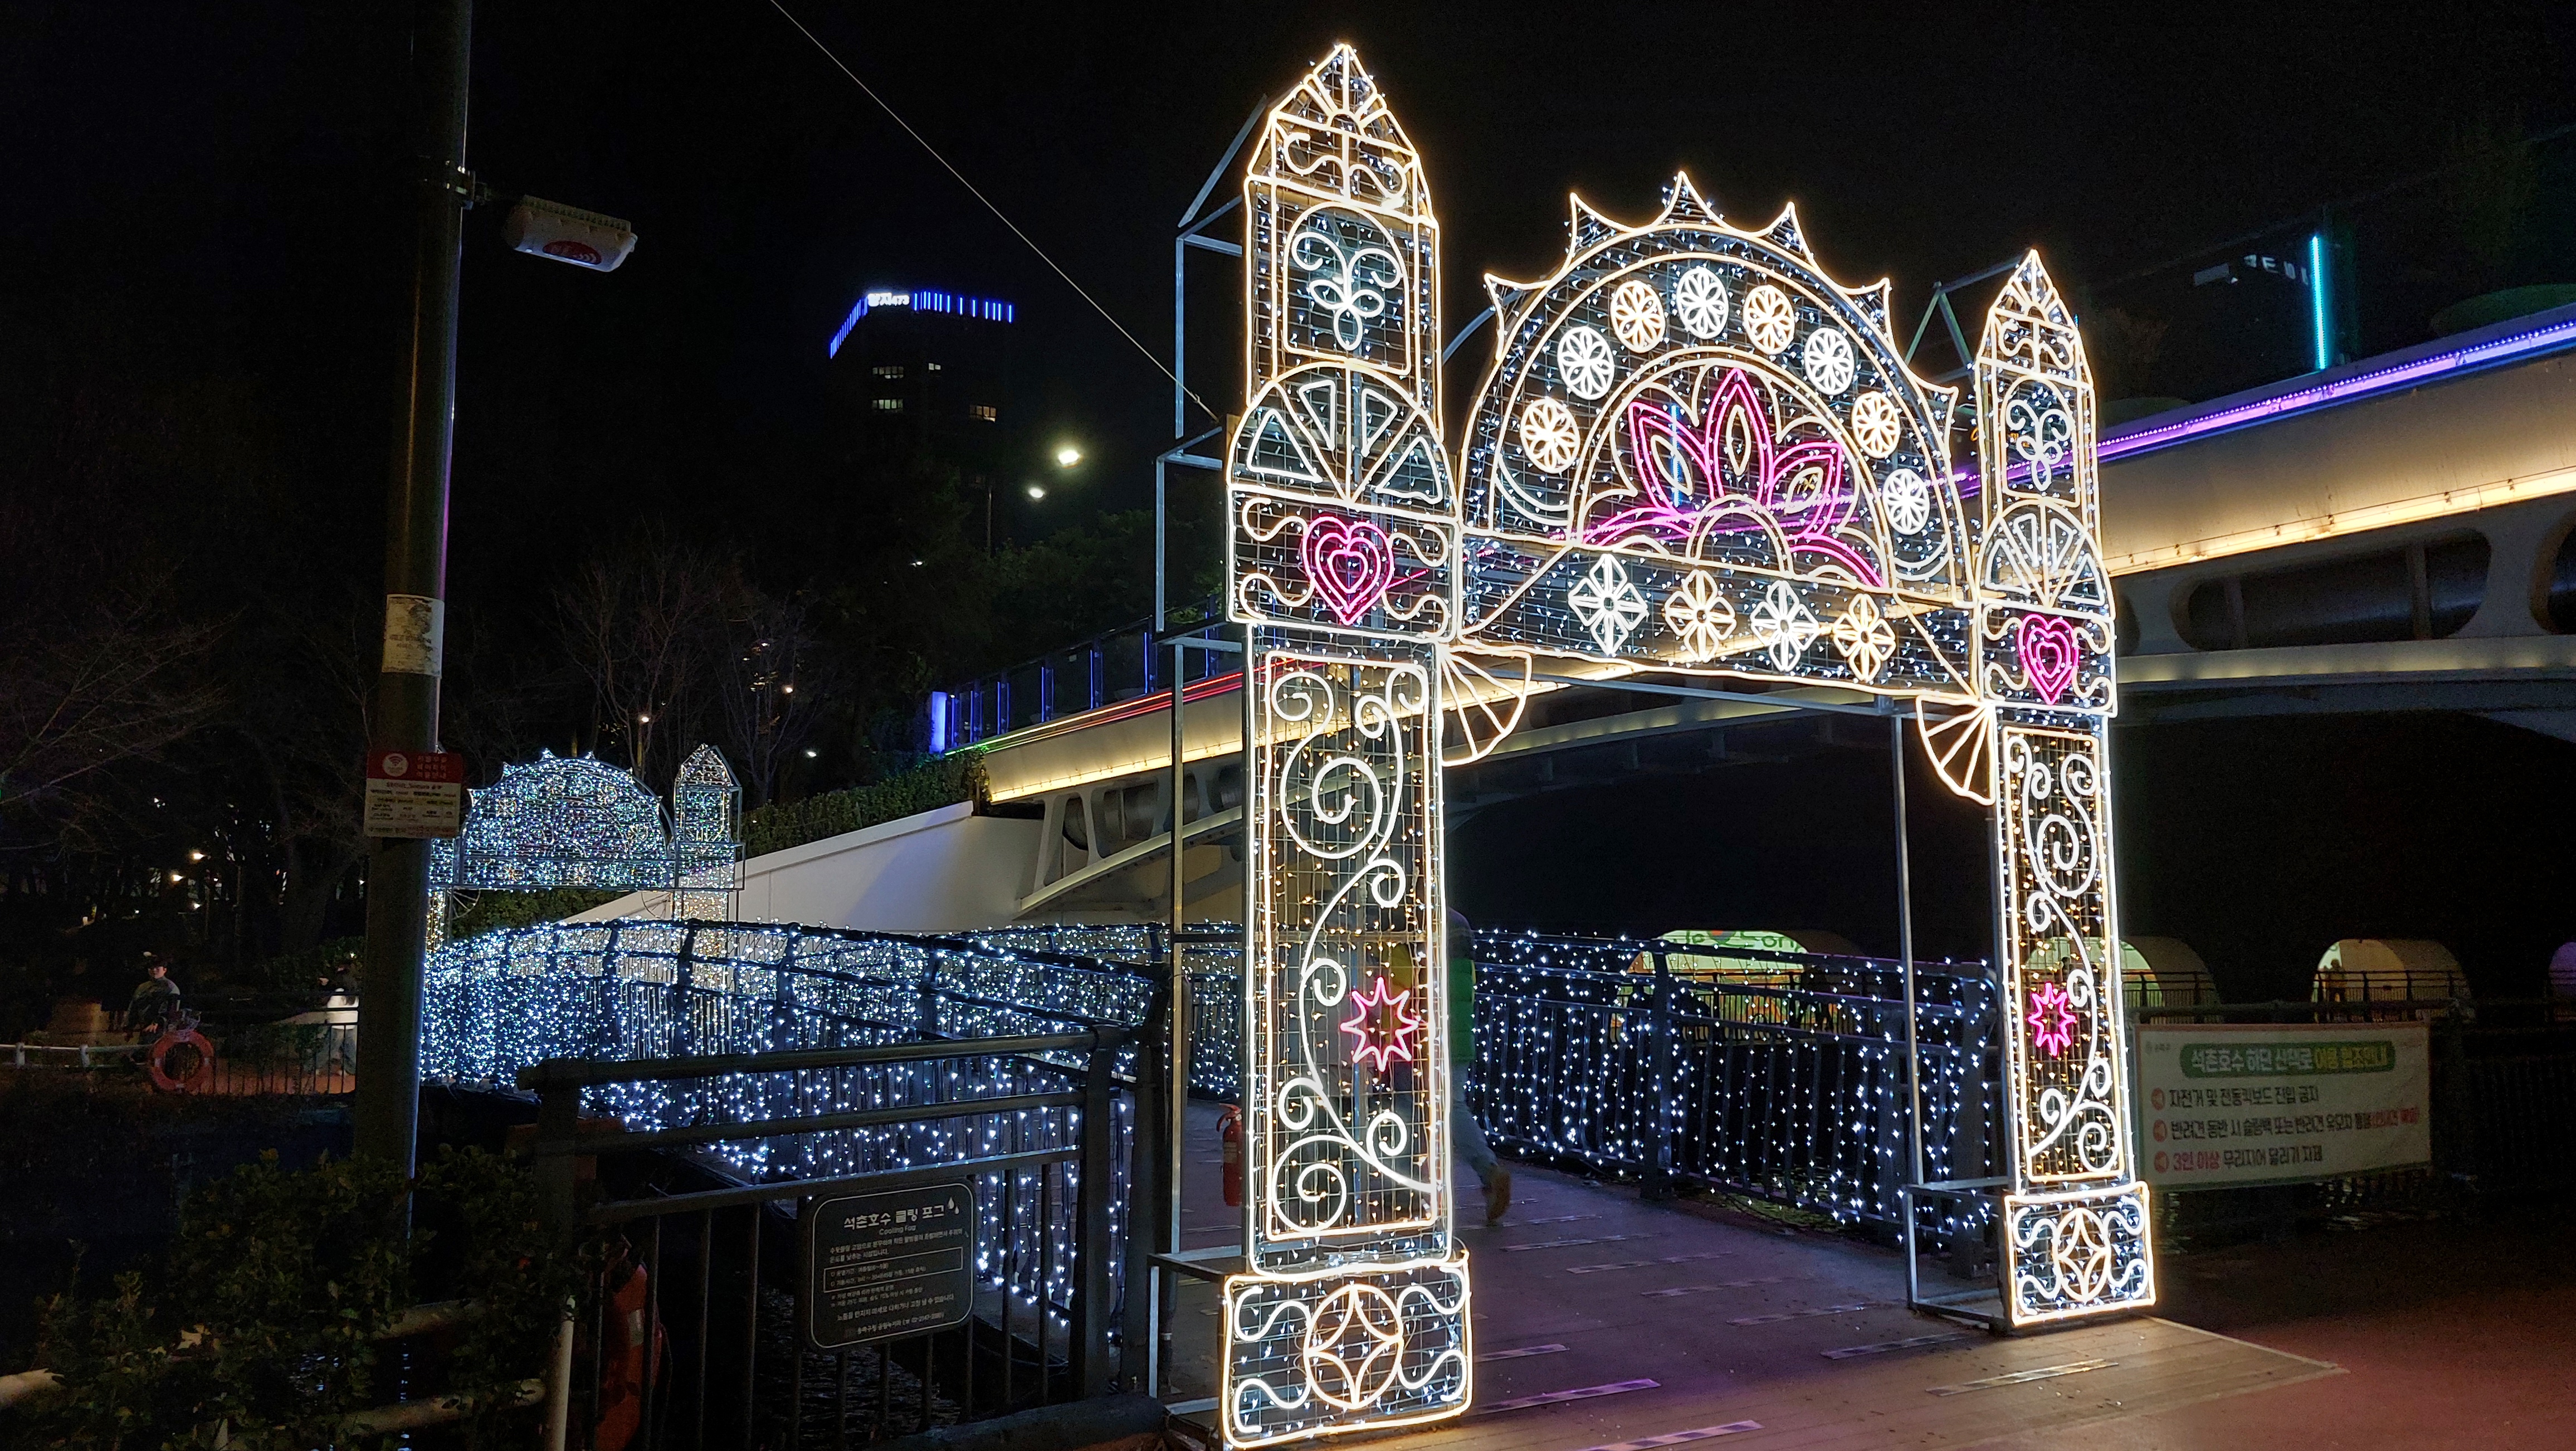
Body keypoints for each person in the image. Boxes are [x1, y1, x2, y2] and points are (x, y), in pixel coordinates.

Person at [1448, 909, 1511, 1224]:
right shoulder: (1460, 927)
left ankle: (1408, 1191)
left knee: (1409, 1107)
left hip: (1423, 1039)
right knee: (1453, 1106)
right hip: (1460, 1040)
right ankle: (1490, 1173)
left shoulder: (1419, 921)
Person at [126, 953, 182, 1035]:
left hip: (163, 1029)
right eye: (151, 968)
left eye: (157, 968)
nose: (154, 970)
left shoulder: (171, 988)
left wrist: (157, 1022)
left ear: (165, 970)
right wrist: (129, 1027)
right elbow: (134, 1007)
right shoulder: (142, 987)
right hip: (144, 1027)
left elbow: (172, 1010)